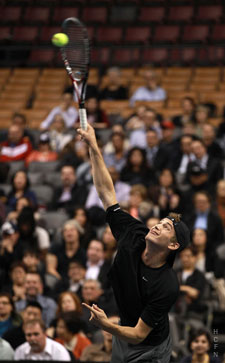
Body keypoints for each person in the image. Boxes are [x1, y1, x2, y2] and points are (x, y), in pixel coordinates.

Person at [77, 123, 190, 363]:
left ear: (173, 246)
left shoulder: (167, 285)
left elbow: (139, 334)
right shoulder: (134, 233)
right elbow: (107, 193)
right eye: (160, 222)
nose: (157, 225)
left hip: (150, 347)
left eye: (166, 228)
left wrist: (107, 326)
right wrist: (94, 146)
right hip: (123, 333)